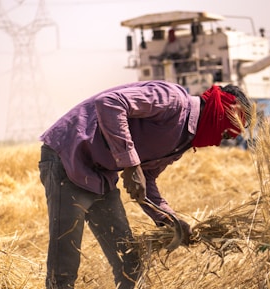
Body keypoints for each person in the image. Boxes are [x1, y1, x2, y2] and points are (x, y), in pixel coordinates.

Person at [38, 80, 252, 289]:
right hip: (67, 156)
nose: (221, 141)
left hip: (100, 174)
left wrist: (169, 219)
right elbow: (110, 103)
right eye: (226, 133)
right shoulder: (173, 100)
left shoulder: (183, 140)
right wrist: (130, 164)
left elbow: (146, 179)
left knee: (129, 262)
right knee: (64, 265)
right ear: (221, 112)